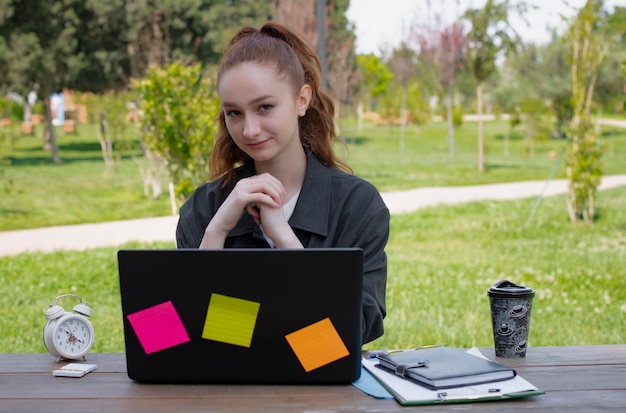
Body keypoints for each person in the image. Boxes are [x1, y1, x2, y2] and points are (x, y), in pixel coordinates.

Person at [176, 22, 389, 344]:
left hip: (323, 388)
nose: (249, 130)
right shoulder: (204, 209)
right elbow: (182, 336)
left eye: (265, 107)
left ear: (302, 100)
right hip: (222, 387)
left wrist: (285, 240)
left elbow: (351, 333)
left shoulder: (357, 205)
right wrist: (216, 233)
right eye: (234, 113)